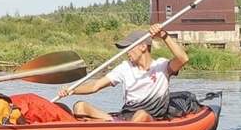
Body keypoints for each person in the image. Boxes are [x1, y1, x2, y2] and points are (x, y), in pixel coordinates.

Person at [57, 23, 188, 122]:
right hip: (126, 116)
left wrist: (164, 36)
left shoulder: (162, 66)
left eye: (129, 48)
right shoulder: (125, 67)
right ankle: (108, 126)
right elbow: (96, 85)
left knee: (141, 114)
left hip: (150, 118)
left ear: (143, 47)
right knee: (80, 107)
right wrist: (73, 90)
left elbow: (183, 59)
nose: (127, 52)